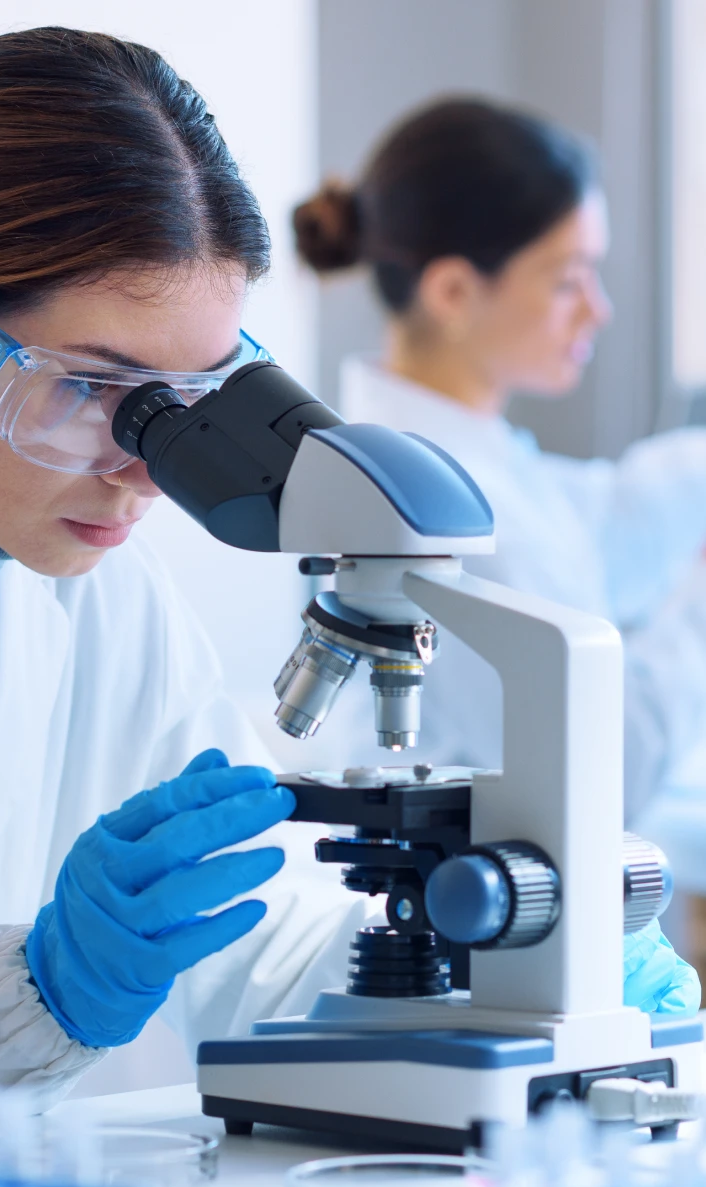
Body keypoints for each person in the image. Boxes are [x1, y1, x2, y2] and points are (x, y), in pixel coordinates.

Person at [0, 46, 692, 1142]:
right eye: (95, 390)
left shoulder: (103, 602)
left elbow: (254, 931)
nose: (146, 468)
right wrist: (37, 992)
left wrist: (501, 964)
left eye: (187, 403)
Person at [294, 97, 706, 837]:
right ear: (453, 291)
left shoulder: (467, 456)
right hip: (463, 915)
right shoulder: (421, 508)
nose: (599, 310)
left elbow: (607, 520)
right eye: (568, 279)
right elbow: (604, 771)